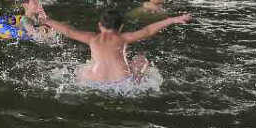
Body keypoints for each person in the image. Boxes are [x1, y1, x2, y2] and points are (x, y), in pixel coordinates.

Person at [42, 10, 192, 85]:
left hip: (94, 82)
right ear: (120, 27)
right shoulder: (123, 38)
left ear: (100, 25)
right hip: (123, 82)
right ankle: (138, 80)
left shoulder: (92, 38)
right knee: (141, 59)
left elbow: (68, 31)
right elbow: (148, 30)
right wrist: (173, 19)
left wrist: (46, 20)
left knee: (81, 68)